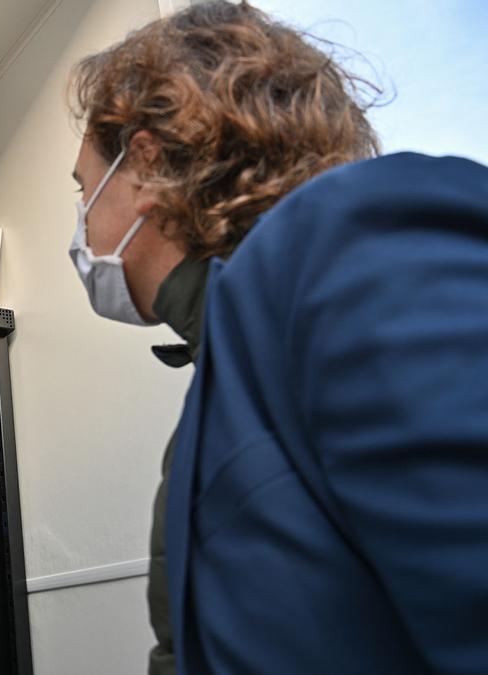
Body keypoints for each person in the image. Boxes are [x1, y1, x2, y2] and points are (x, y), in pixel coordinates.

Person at [68, 2, 488, 673]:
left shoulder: (354, 249)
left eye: (84, 190)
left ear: (143, 166)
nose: (83, 229)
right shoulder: (233, 368)